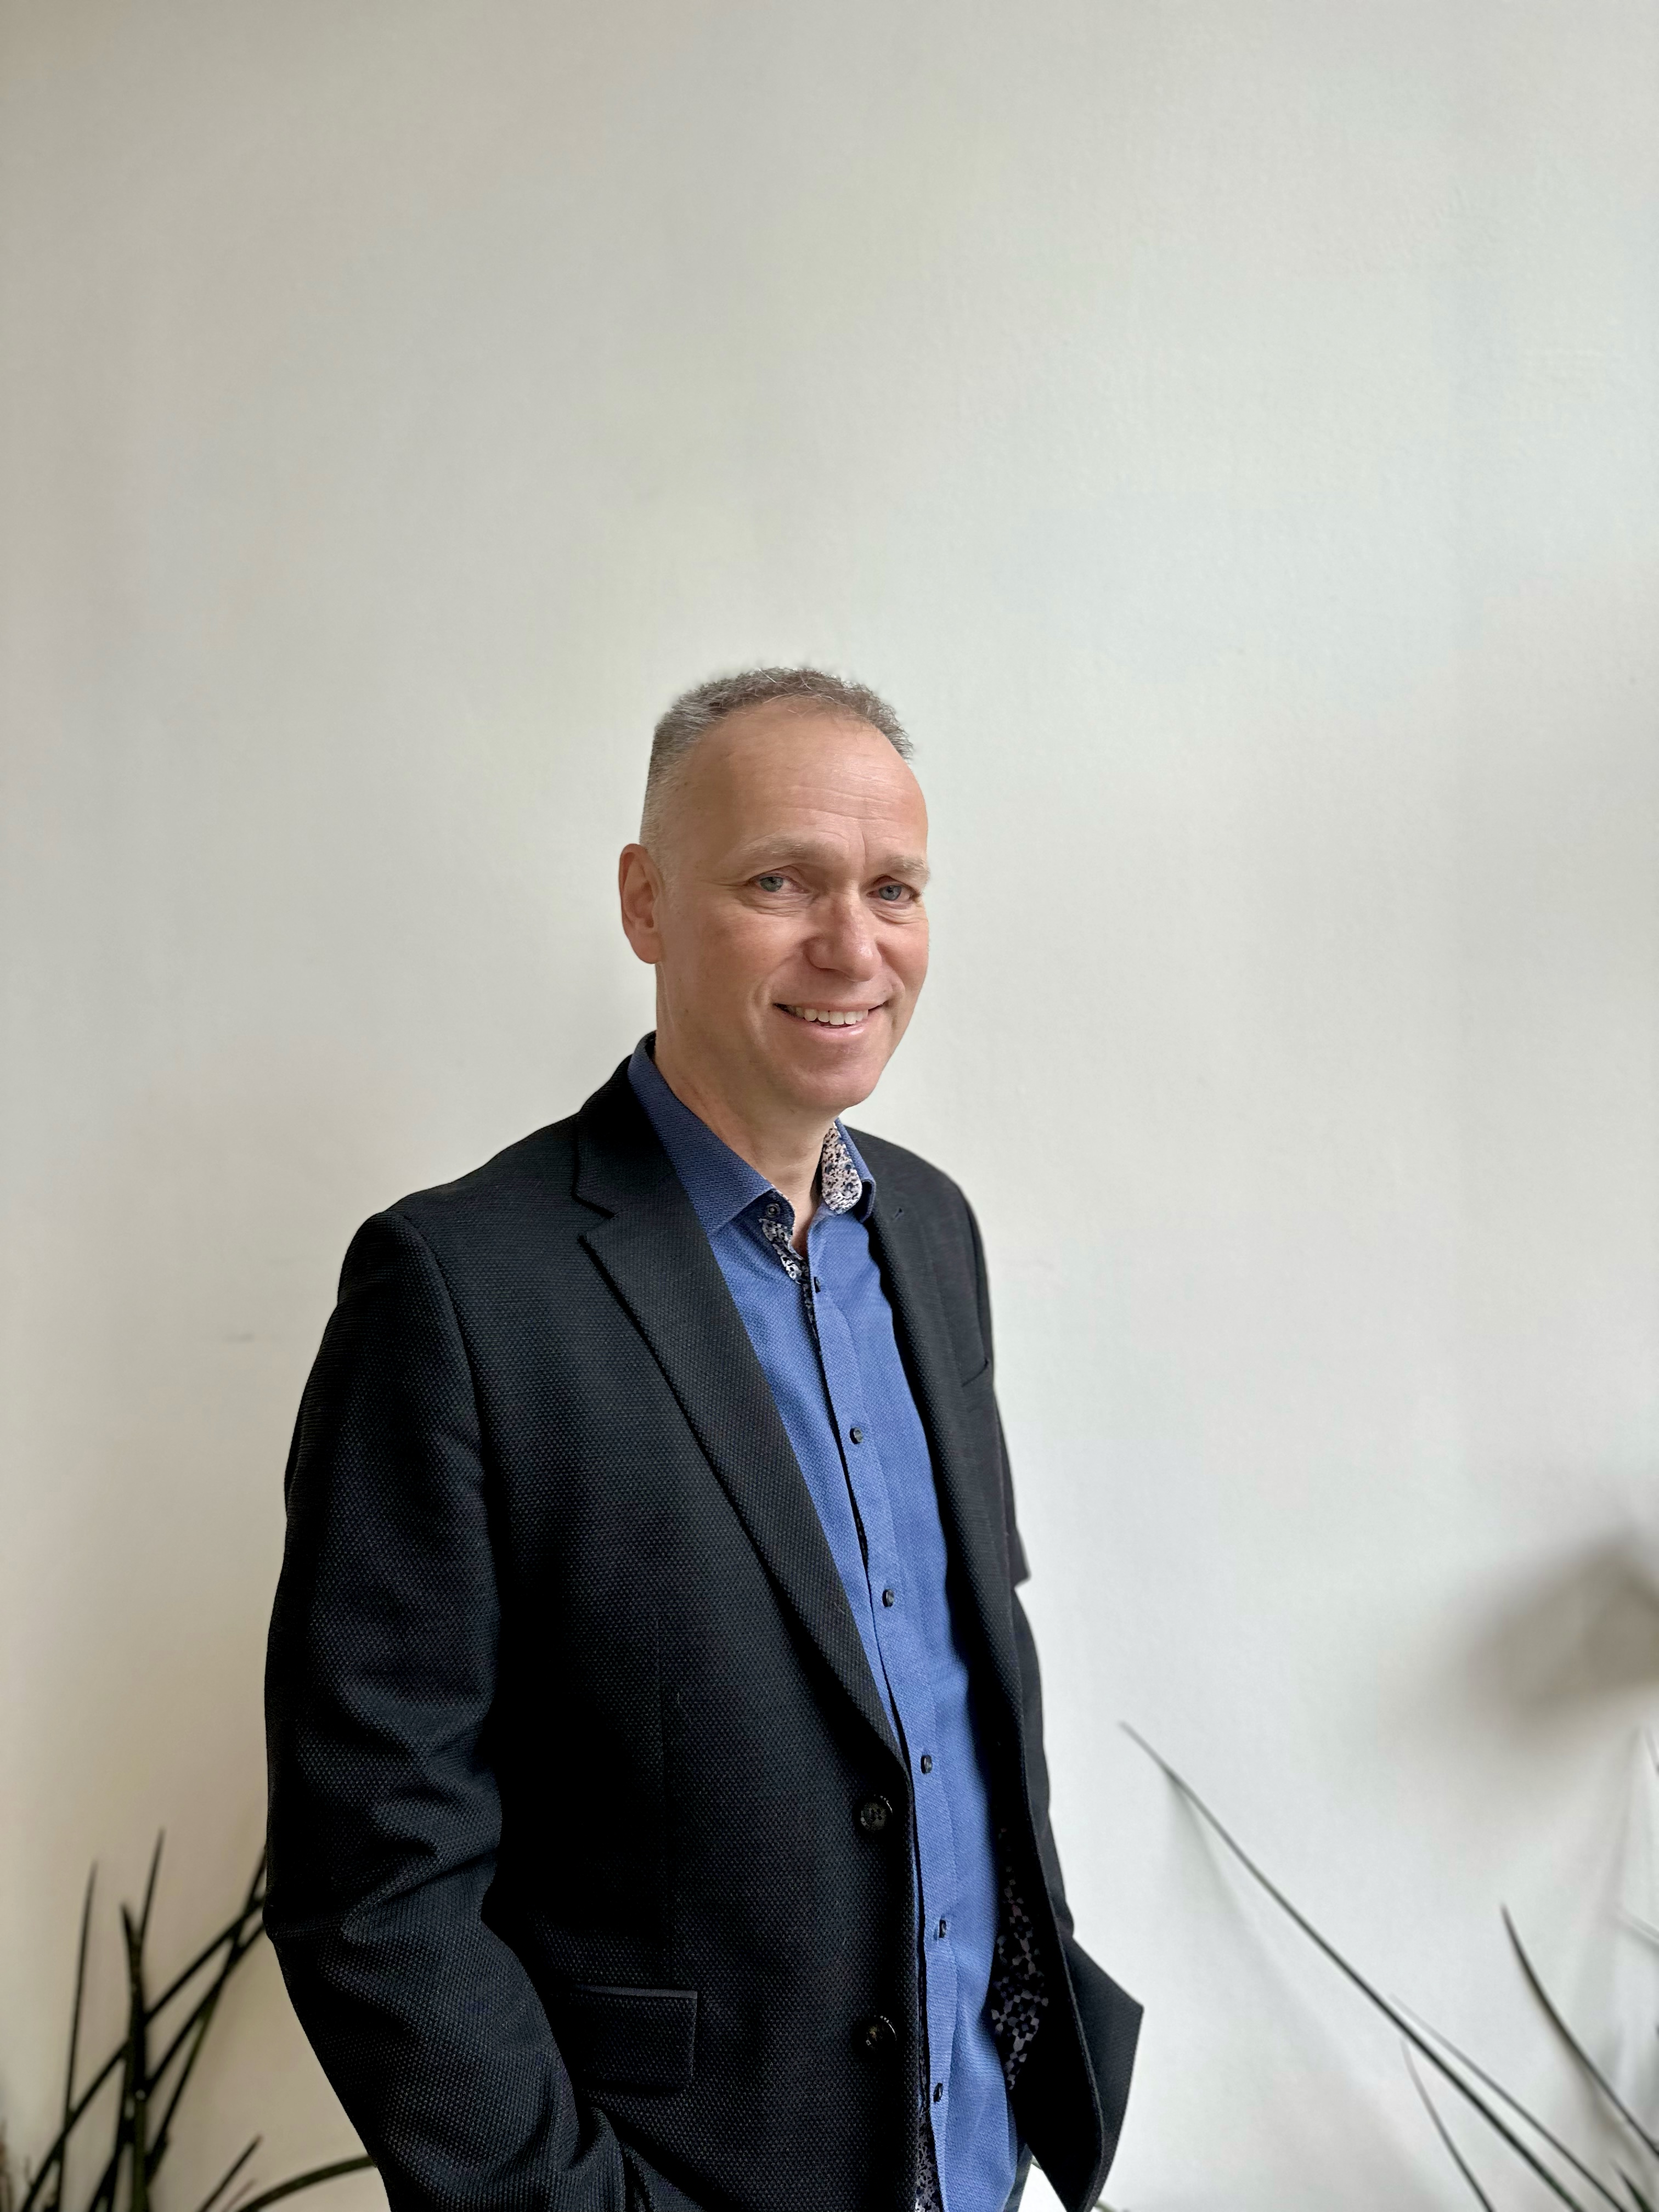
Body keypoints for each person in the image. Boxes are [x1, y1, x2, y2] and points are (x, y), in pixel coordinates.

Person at [264, 667, 1139, 2212]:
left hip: (972, 2156)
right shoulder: (459, 1290)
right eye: (779, 882)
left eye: (893, 888)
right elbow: (374, 1873)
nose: (852, 946)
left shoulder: (933, 1234)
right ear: (646, 903)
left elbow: (951, 1689)